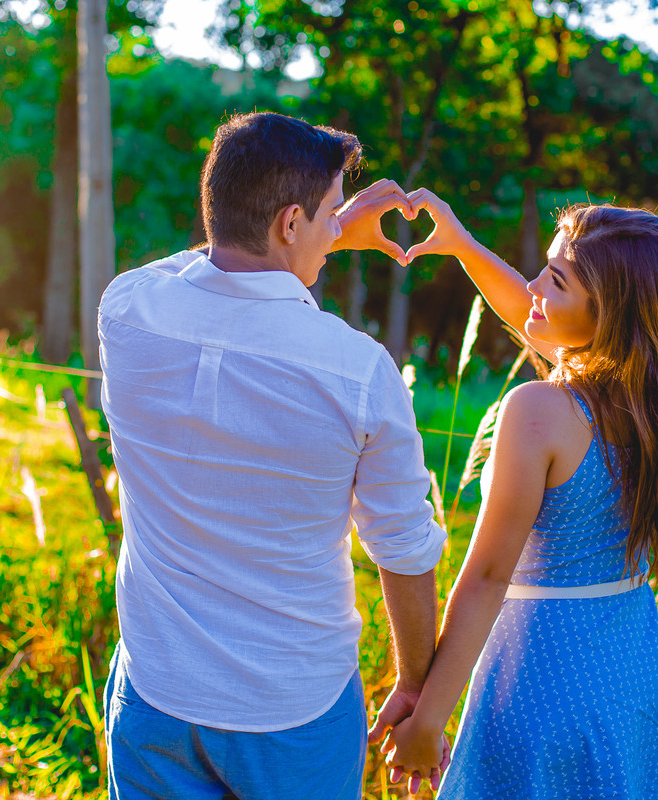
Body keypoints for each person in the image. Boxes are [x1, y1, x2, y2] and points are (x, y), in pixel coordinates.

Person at [98, 112, 448, 800]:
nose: (336, 229)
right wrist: (414, 684)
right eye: (328, 214)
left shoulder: (127, 310)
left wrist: (324, 225)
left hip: (156, 692)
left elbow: (209, 259)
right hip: (295, 710)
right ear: (290, 223)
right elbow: (405, 550)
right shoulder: (357, 372)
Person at [373, 190, 658, 798]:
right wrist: (462, 246)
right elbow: (535, 308)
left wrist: (428, 718)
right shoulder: (657, 400)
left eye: (554, 279)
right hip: (640, 689)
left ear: (607, 316)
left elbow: (487, 577)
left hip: (543, 691)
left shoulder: (538, 410)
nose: (532, 285)